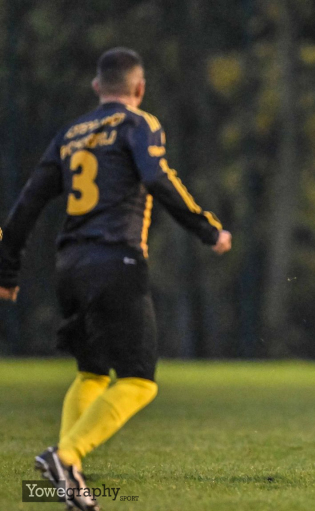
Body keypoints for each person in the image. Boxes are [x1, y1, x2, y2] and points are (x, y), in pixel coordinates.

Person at [0, 47, 231, 510]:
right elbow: (158, 179)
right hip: (116, 261)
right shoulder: (138, 124)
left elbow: (27, 203)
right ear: (139, 89)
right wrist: (207, 229)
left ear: (96, 87)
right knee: (139, 380)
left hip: (70, 265)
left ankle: (68, 474)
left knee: (91, 371)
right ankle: (67, 455)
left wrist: (7, 268)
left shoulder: (70, 133)